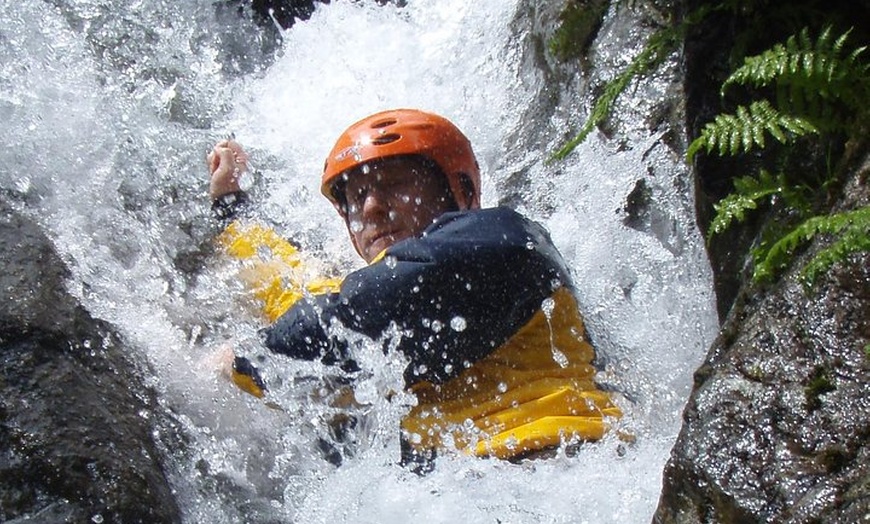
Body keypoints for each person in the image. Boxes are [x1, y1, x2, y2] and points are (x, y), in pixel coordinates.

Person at [206, 108, 622, 468]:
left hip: (564, 460)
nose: (370, 207)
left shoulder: (507, 239)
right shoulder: (356, 295)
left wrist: (249, 358)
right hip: (453, 493)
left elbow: (392, 297)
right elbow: (286, 281)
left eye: (394, 184)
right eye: (358, 195)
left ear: (463, 191)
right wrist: (230, 206)